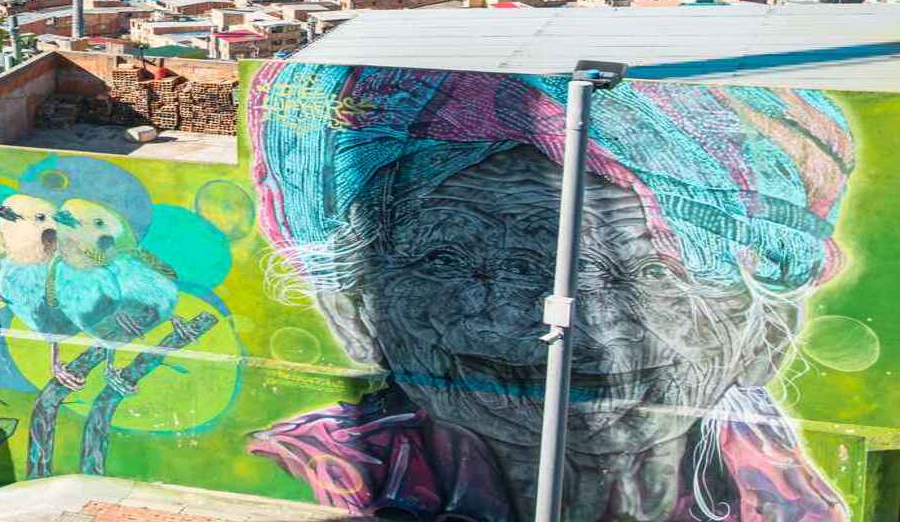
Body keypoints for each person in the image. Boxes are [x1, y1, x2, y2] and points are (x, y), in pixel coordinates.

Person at [242, 62, 851, 521]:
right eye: (448, 259)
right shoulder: (285, 484)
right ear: (352, 310)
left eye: (636, 272)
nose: (523, 324)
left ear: (767, 332)